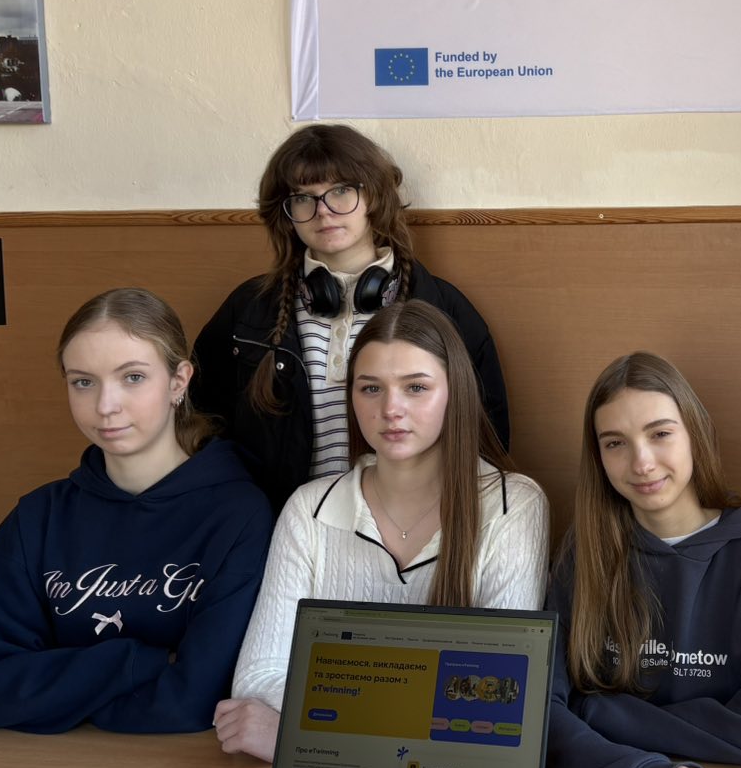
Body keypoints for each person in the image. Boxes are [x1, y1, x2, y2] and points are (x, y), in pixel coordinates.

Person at [216, 300, 547, 761]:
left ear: (456, 392)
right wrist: (402, 711)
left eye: (416, 387)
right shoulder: (308, 509)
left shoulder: (514, 504)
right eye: (371, 388)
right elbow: (257, 679)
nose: (391, 408)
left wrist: (296, 737)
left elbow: (497, 693)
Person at [0, 288, 273, 733]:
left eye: (132, 377)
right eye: (83, 382)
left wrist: (61, 699)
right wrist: (142, 662)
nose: (105, 406)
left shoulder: (240, 516)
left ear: (179, 381)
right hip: (47, 766)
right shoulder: (37, 519)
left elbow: (194, 701)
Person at [193, 124, 509, 512]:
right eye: (303, 198)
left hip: (412, 522)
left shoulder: (442, 306)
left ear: (372, 196)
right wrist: (244, 510)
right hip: (282, 523)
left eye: (341, 190)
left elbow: (485, 436)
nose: (323, 211)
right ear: (287, 214)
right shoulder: (249, 309)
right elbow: (201, 423)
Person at [546, 353, 741, 768]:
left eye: (660, 433)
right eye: (615, 443)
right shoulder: (585, 552)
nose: (642, 462)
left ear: (695, 434)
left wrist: (600, 713)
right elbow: (542, 710)